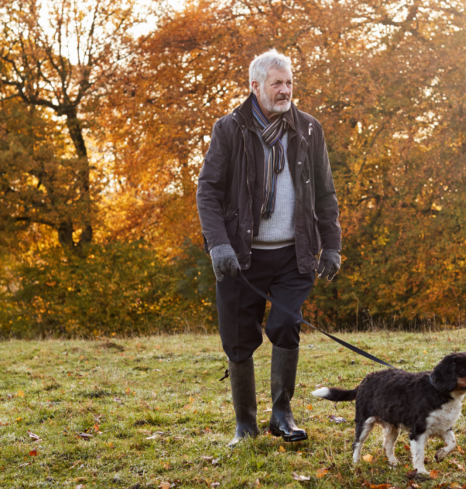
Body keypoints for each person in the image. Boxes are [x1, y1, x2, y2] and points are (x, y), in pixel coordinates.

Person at [196, 49, 342, 447]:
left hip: (294, 254)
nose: (285, 90)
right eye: (277, 83)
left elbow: (325, 193)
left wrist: (332, 246)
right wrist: (219, 246)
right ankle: (245, 424)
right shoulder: (229, 129)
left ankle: (282, 413)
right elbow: (207, 191)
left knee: (285, 325)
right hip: (241, 257)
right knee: (239, 338)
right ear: (255, 86)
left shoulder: (309, 129)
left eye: (289, 82)